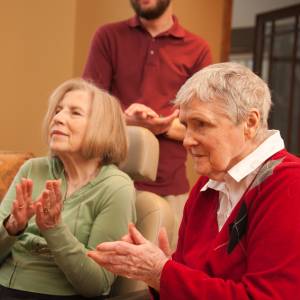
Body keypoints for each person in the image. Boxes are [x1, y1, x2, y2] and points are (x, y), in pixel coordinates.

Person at [87, 62, 300, 299]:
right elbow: (186, 279)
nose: (187, 140)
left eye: (202, 125)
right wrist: (162, 273)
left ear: (249, 123)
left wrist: (162, 273)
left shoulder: (290, 185)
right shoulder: (207, 185)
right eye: (186, 125)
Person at [82, 0, 212, 237]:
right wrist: (127, 121)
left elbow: (203, 128)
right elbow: (88, 110)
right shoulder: (108, 36)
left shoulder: (198, 49)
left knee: (163, 268)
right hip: (105, 180)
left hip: (170, 188)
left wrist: (158, 126)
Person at [0, 79, 136, 299]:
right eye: (58, 110)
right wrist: (12, 227)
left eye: (75, 113)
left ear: (102, 126)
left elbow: (97, 284)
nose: (58, 118)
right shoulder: (33, 169)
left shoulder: (116, 187)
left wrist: (54, 229)